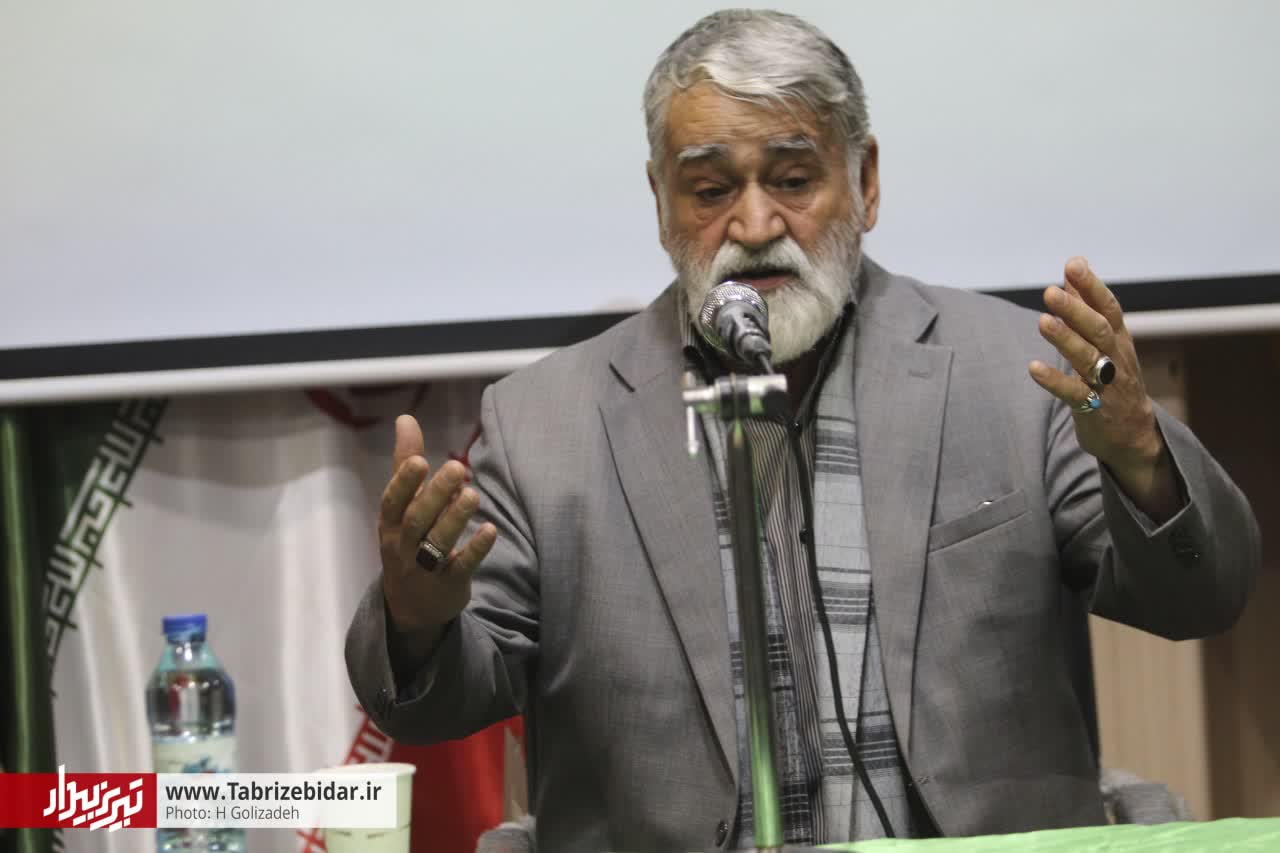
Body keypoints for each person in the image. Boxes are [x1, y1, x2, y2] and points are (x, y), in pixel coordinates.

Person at [346, 9, 1260, 851]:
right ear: (661, 201)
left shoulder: (1013, 375)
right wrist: (417, 618)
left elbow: (1203, 598)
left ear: (865, 182)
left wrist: (1143, 459)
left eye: (792, 180)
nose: (754, 225)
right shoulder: (546, 422)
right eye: (711, 189)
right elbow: (433, 702)